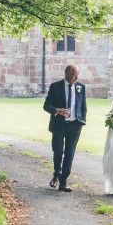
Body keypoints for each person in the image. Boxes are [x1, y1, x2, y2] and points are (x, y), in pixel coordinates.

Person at [43, 64, 87, 192]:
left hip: (75, 125)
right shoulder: (55, 87)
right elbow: (46, 106)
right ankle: (56, 174)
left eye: (77, 74)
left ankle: (63, 181)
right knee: (58, 151)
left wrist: (82, 121)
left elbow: (83, 106)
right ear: (66, 74)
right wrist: (58, 110)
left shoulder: (81, 87)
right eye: (74, 74)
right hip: (59, 125)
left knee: (70, 153)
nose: (77, 77)